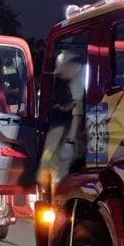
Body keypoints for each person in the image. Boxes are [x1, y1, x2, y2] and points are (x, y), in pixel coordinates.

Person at [37, 51, 86, 195]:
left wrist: (70, 141)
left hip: (71, 135)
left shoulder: (78, 80)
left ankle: (58, 197)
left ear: (69, 66)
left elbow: (78, 111)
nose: (60, 75)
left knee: (59, 168)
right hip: (67, 132)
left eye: (61, 71)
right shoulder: (77, 78)